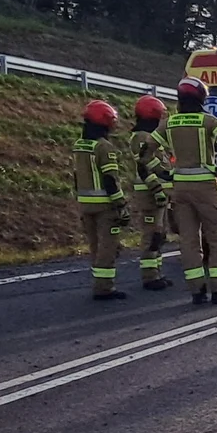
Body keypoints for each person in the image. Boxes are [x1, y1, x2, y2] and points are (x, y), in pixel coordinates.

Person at [155, 77, 217, 305]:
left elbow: (146, 150)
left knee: (189, 240)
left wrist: (163, 172)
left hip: (180, 189)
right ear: (201, 97)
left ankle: (197, 291)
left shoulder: (169, 123)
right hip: (205, 187)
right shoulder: (208, 121)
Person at [72, 100, 130, 301]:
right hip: (105, 205)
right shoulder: (105, 147)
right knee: (108, 247)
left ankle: (98, 283)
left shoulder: (80, 145)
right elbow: (110, 179)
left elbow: (76, 175)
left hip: (85, 203)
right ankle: (105, 288)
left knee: (95, 246)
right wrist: (120, 204)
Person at [129, 95, 174, 290]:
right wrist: (157, 189)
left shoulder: (150, 136)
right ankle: (149, 277)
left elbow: (158, 164)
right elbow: (144, 167)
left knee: (160, 234)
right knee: (151, 235)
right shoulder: (140, 137)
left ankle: (157, 273)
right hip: (150, 194)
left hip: (159, 193)